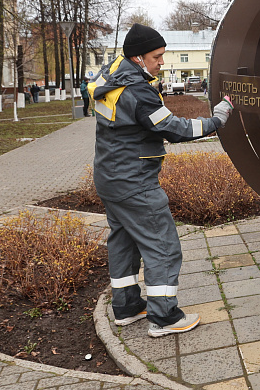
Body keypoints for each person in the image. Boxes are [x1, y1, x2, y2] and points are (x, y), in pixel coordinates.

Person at [89, 23, 235, 338]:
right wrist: (217, 120)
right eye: (157, 56)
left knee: (123, 242)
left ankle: (127, 308)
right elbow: (173, 129)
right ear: (138, 57)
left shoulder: (111, 75)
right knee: (164, 246)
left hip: (109, 177)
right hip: (134, 183)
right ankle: (164, 317)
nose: (162, 62)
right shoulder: (138, 92)